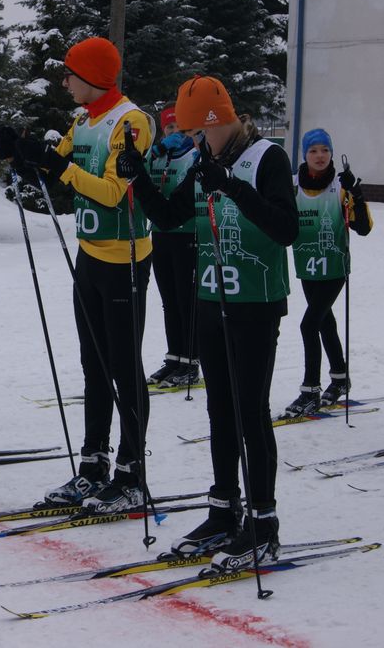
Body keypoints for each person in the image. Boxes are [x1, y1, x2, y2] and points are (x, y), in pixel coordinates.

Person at [117, 75, 298, 571]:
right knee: (220, 411)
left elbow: (286, 229)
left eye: (198, 129)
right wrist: (139, 178)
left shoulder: (267, 158)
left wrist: (235, 188)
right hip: (210, 301)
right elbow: (172, 217)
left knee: (250, 413)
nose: (193, 139)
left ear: (216, 121)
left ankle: (264, 523)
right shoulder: (204, 163)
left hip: (256, 304)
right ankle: (223, 510)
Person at [0, 35, 155, 514]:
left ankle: (132, 474)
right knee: (93, 365)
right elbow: (56, 172)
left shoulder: (130, 121)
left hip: (124, 255)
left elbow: (111, 192)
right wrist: (23, 156)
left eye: (70, 73)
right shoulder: (82, 119)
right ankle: (93, 465)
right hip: (89, 255)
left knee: (124, 367)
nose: (64, 81)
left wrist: (57, 166)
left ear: (91, 77)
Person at [283, 128, 373, 417]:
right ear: (304, 155)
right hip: (306, 267)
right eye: (313, 151)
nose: (320, 156)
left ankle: (310, 390)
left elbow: (364, 228)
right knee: (324, 322)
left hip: (334, 269)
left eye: (325, 150)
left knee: (309, 325)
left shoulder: (340, 185)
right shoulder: (293, 184)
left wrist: (356, 193)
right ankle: (340, 377)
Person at [145, 103, 202, 390]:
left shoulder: (195, 156)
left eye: (180, 128)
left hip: (188, 234)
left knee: (185, 299)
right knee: (168, 300)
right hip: (161, 234)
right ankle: (175, 357)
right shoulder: (158, 157)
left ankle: (191, 360)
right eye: (169, 128)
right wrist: (152, 153)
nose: (175, 133)